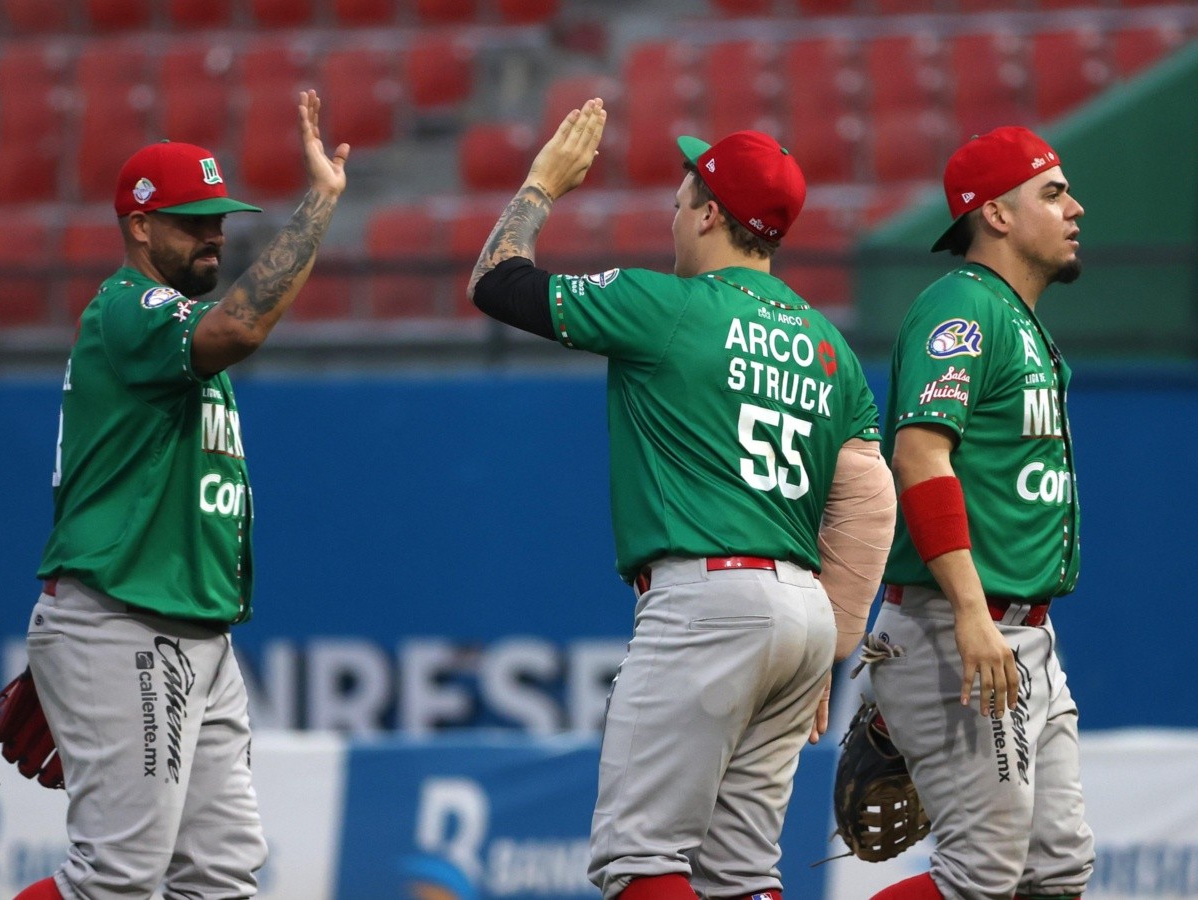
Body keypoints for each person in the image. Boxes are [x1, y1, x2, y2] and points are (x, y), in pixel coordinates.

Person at [468, 98, 895, 900]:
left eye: (681, 199)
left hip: (708, 602)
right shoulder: (828, 342)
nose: (673, 214)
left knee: (639, 858)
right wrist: (830, 649)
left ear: (708, 216)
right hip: (802, 611)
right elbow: (870, 501)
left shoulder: (662, 307)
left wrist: (540, 186)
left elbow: (495, 283)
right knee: (741, 872)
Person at [18, 90, 348, 900]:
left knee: (222, 875)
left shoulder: (169, 329)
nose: (215, 232)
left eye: (219, 215)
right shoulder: (132, 311)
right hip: (126, 616)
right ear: (137, 225)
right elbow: (239, 328)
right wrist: (321, 204)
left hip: (189, 628)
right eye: (191, 218)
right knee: (118, 878)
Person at [862, 126, 1094, 900]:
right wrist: (969, 614)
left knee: (1056, 872)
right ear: (995, 213)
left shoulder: (1020, 321)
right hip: (962, 629)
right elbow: (920, 457)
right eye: (1053, 192)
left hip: (1024, 632)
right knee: (979, 875)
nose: (1075, 208)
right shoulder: (961, 307)